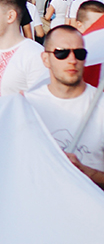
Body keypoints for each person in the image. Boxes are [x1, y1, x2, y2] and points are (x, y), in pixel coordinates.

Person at [25, 25, 104, 187]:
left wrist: (85, 171)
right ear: (45, 59)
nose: (72, 60)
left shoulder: (100, 104)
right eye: (61, 53)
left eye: (79, 53)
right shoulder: (27, 105)